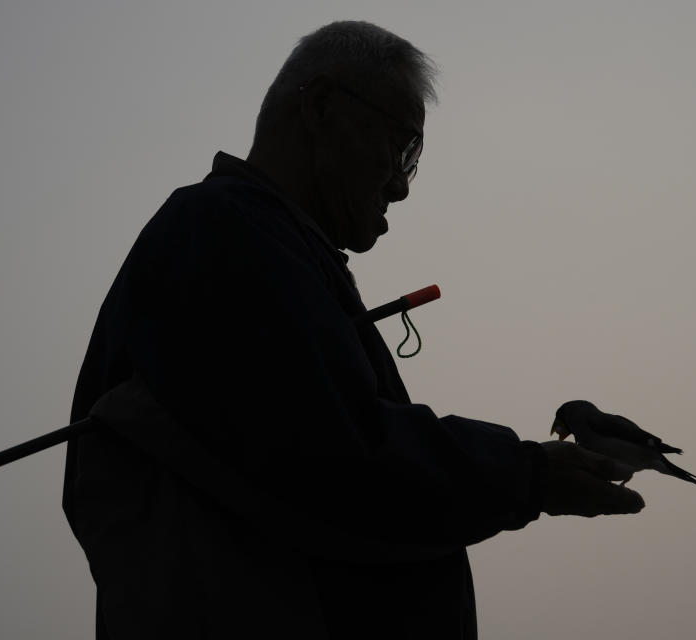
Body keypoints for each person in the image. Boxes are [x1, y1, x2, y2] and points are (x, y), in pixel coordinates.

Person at [62, 20, 644, 639]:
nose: (401, 184)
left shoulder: (259, 243)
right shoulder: (220, 230)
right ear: (319, 108)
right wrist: (525, 473)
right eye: (401, 147)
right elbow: (334, 452)